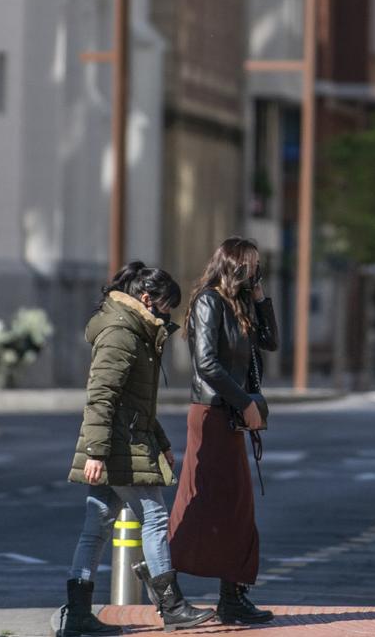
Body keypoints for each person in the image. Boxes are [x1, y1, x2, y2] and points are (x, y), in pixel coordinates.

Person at [58, 262, 214, 635]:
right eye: (166, 305)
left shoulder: (135, 332)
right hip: (119, 446)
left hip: (125, 440)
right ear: (146, 299)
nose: (167, 314)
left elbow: (136, 402)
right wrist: (96, 452)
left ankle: (77, 615)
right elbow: (101, 396)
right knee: (155, 518)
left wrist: (162, 442)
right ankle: (171, 606)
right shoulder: (121, 334)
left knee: (96, 526)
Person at [169, 238, 278, 626]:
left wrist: (261, 299)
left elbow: (270, 341)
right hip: (211, 414)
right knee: (200, 500)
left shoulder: (240, 303)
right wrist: (245, 402)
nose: (254, 272)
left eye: (258, 267)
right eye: (250, 266)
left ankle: (232, 596)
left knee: (236, 506)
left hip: (229, 414)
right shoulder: (209, 301)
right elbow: (207, 363)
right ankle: (164, 580)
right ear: (232, 265)